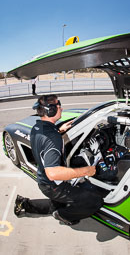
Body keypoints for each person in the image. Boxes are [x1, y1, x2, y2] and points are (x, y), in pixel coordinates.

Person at [14, 94, 105, 225]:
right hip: (54, 185)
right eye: (58, 105)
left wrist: (59, 130)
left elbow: (45, 140)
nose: (61, 108)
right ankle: (64, 216)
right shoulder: (53, 138)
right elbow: (53, 173)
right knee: (94, 202)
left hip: (43, 180)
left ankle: (24, 204)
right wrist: (86, 171)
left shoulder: (38, 127)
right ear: (51, 110)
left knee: (54, 205)